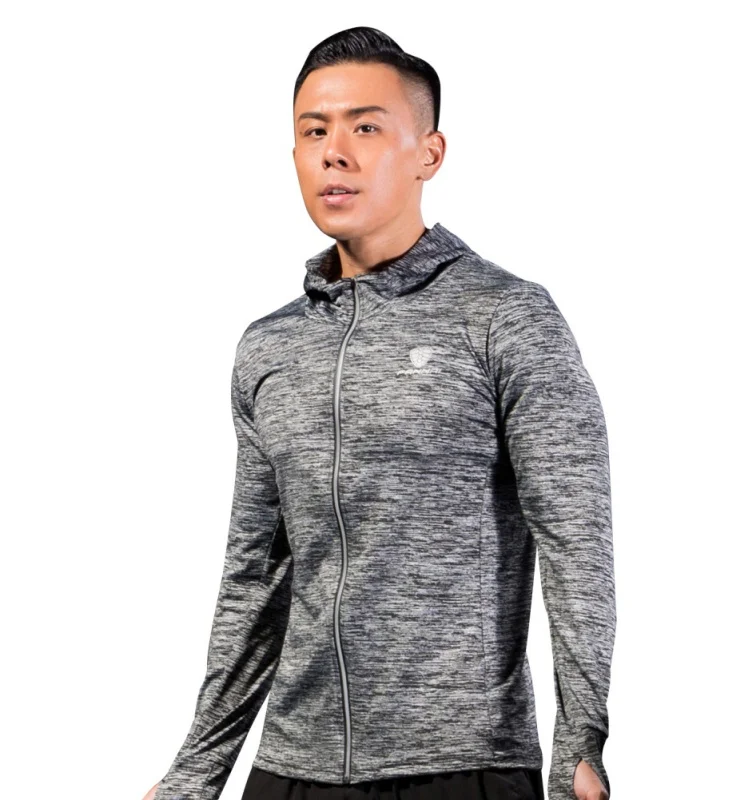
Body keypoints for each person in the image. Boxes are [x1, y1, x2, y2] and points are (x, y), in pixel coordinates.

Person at [143, 26, 616, 800]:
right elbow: (256, 578)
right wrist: (195, 773)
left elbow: (577, 545)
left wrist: (579, 743)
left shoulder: (507, 317)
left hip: (461, 766)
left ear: (429, 153)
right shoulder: (270, 347)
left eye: (365, 128)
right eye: (314, 132)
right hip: (290, 771)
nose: (335, 153)